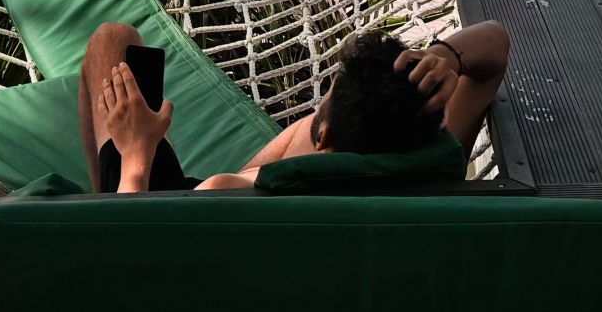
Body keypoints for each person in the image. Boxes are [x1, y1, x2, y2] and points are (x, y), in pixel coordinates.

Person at [78, 19, 509, 195]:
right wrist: (446, 57)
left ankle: (99, 192)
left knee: (112, 40)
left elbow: (127, 253)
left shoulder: (223, 193)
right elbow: (494, 45)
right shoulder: (431, 171)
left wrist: (137, 152)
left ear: (326, 138)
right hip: (293, 190)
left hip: (149, 211)